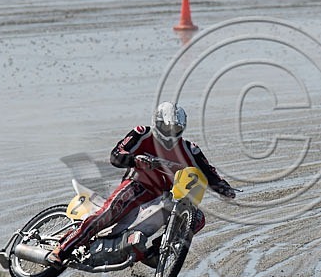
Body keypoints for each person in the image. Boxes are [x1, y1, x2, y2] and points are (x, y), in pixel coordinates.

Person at [45, 101, 236, 267]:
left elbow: (209, 172)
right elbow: (116, 155)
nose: (170, 134)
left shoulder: (190, 149)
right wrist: (135, 160)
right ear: (156, 123)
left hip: (166, 195)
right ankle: (62, 250)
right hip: (137, 184)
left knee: (198, 218)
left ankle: (156, 253)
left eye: (175, 129)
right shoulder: (141, 133)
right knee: (109, 212)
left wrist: (223, 187)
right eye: (165, 128)